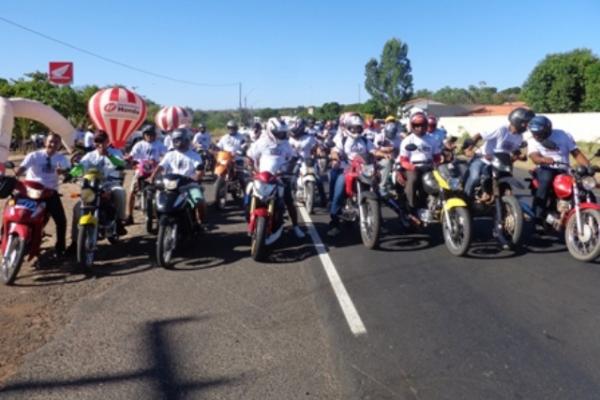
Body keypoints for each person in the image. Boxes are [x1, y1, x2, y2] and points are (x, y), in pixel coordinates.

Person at [247, 117, 305, 239]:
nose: (282, 135)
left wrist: (291, 169)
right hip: (261, 178)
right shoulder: (261, 142)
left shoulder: (286, 144)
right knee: (247, 196)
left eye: (283, 132)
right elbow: (250, 157)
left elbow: (292, 157)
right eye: (279, 132)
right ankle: (250, 220)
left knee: (289, 201)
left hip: (280, 178)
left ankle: (295, 226)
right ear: (270, 130)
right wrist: (251, 168)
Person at [327, 114, 385, 236]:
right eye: (353, 128)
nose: (355, 130)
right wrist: (335, 156)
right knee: (338, 191)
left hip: (364, 170)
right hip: (346, 170)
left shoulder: (364, 140)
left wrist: (382, 154)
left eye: (358, 128)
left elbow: (373, 150)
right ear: (347, 127)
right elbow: (335, 151)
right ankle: (335, 222)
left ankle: (379, 222)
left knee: (376, 191)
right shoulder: (342, 139)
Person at [527, 115, 590, 224]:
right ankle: (538, 215)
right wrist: (543, 159)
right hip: (545, 168)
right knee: (546, 179)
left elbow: (576, 153)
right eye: (533, 133)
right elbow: (534, 156)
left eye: (538, 133)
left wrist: (588, 167)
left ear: (547, 130)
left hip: (564, 169)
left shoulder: (562, 135)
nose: (535, 136)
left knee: (584, 185)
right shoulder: (532, 140)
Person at [16, 133, 71, 258]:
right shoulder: (34, 155)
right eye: (51, 141)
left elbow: (68, 171)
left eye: (56, 142)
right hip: (29, 190)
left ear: (60, 145)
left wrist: (63, 172)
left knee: (61, 221)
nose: (53, 144)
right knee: (13, 208)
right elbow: (22, 169)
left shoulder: (62, 159)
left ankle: (60, 248)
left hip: (49, 192)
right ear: (45, 142)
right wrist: (14, 176)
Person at [463, 107, 535, 198]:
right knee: (475, 178)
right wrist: (469, 149)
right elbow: (479, 135)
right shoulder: (501, 129)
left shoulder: (519, 137)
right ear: (518, 121)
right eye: (525, 123)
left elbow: (514, 150)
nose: (527, 126)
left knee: (504, 181)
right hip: (483, 159)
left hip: (500, 163)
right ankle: (466, 198)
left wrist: (519, 155)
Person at [71, 131, 128, 243]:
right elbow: (80, 167)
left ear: (107, 141)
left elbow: (122, 164)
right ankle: (74, 241)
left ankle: (119, 221)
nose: (100, 144)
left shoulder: (115, 152)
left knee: (120, 192)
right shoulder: (90, 155)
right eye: (97, 141)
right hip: (92, 187)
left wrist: (109, 156)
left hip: (110, 184)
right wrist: (70, 173)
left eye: (102, 141)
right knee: (77, 209)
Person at [150, 128, 206, 225]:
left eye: (181, 140)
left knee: (199, 201)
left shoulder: (194, 155)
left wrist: (196, 177)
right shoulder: (169, 154)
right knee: (156, 200)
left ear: (187, 140)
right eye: (176, 140)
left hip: (189, 184)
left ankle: (200, 222)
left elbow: (199, 170)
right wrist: (153, 176)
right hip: (170, 185)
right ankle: (157, 219)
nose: (179, 143)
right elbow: (160, 166)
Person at [398, 112, 442, 215]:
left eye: (422, 125)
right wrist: (411, 166)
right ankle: (411, 208)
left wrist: (437, 163)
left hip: (428, 167)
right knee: (413, 179)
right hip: (412, 168)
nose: (419, 128)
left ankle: (433, 205)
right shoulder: (407, 140)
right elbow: (403, 160)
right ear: (412, 126)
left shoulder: (432, 140)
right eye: (416, 125)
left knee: (441, 181)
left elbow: (437, 157)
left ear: (426, 125)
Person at [125, 124, 167, 224]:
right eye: (147, 134)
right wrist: (129, 158)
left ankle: (163, 213)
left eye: (151, 134)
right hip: (140, 171)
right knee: (131, 192)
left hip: (155, 171)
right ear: (144, 135)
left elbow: (165, 155)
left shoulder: (160, 145)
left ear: (155, 135)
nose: (149, 136)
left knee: (163, 190)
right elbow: (132, 155)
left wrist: (161, 160)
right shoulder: (139, 145)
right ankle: (130, 216)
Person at [288, 117, 326, 206]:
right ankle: (291, 197)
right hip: (297, 161)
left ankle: (323, 200)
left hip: (309, 161)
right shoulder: (290, 139)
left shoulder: (309, 137)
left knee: (318, 180)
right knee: (292, 179)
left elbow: (316, 147)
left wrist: (319, 152)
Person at [374, 121, 402, 196]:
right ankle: (382, 186)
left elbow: (401, 150)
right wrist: (385, 150)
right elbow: (375, 149)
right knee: (388, 162)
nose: (391, 135)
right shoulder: (380, 136)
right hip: (381, 159)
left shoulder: (398, 138)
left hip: (395, 159)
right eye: (390, 132)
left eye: (393, 133)